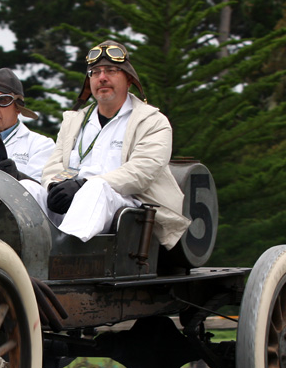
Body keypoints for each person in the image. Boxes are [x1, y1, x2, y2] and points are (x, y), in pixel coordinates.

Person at [23, 40, 189, 248]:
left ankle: (63, 256)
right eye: (95, 72)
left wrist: (83, 185)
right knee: (27, 188)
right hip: (73, 209)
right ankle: (20, 253)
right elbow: (54, 164)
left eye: (111, 71)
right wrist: (55, 186)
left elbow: (142, 172)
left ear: (128, 79)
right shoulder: (74, 120)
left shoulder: (152, 121)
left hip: (126, 210)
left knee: (97, 187)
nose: (102, 78)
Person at [0, 69, 55, 180]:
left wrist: (18, 177)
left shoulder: (41, 146)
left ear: (18, 107)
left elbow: (41, 191)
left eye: (2, 100)